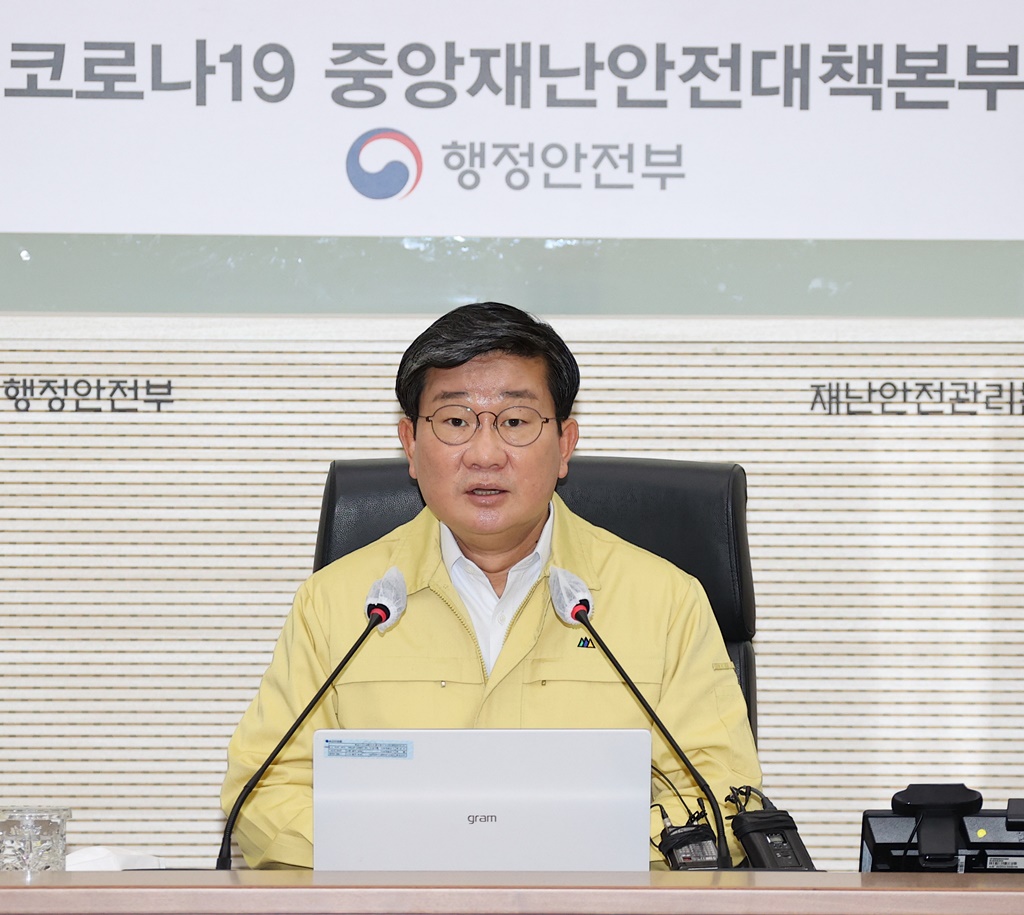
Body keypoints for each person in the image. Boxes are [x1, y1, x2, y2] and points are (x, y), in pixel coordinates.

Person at [221, 302, 762, 869]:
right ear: (409, 443)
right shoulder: (337, 605)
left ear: (566, 443)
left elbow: (725, 799)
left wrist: (549, 847)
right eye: (455, 421)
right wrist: (426, 849)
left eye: (515, 422)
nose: (484, 454)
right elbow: (263, 794)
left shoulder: (666, 602)